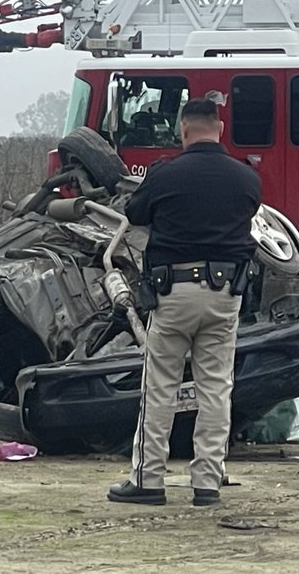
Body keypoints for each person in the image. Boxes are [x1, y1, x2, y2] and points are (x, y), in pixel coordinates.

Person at [107, 97, 262, 507]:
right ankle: (208, 482)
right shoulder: (246, 178)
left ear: (183, 131)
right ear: (220, 129)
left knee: (160, 387)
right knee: (215, 388)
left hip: (173, 294)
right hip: (224, 295)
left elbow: (135, 212)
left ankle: (148, 480)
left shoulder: (165, 174)